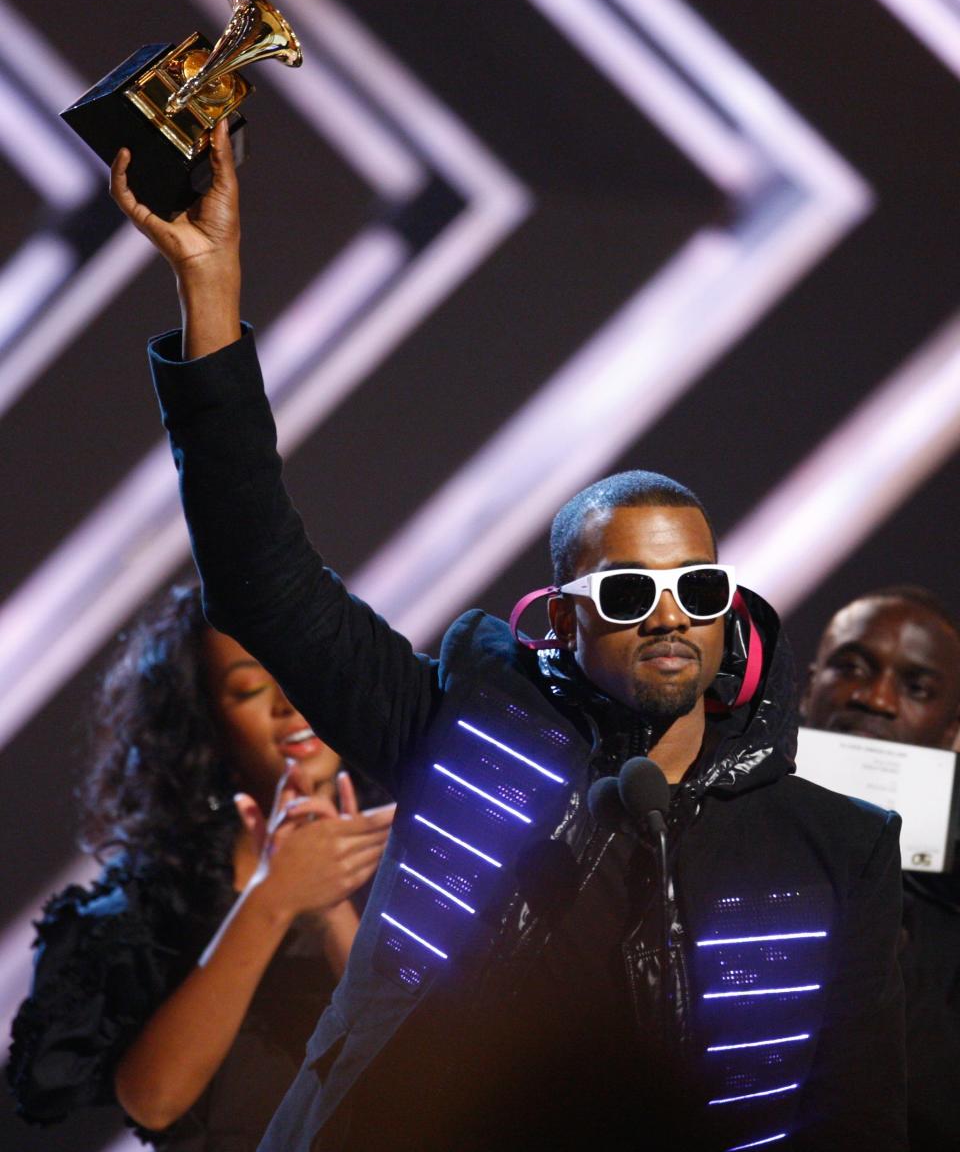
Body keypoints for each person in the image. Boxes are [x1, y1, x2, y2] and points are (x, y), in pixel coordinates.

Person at [109, 121, 906, 1150]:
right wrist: (208, 294)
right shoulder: (462, 727)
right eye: (626, 592)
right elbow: (260, 578)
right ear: (561, 618)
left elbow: (859, 1118)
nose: (668, 612)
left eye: (696, 585)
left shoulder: (834, 843)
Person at [7, 583, 394, 1150]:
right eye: (249, 687)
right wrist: (273, 898)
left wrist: (330, 900)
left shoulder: (422, 852)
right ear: (204, 725)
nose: (288, 700)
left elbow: (439, 1055)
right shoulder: (144, 919)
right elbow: (155, 1100)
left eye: (298, 665)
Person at [803, 585, 960, 1151]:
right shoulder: (710, 840)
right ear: (808, 686)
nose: (875, 699)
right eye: (851, 667)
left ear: (953, 729)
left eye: (916, 687)